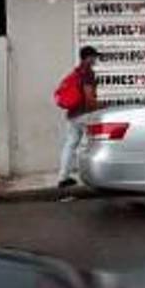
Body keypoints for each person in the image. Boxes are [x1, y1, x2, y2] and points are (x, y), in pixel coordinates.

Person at [57, 46, 99, 188]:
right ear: (87, 57)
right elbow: (88, 97)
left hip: (72, 114)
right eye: (93, 56)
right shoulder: (88, 73)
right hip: (84, 115)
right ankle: (90, 176)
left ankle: (63, 177)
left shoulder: (76, 72)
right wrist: (97, 109)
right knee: (90, 145)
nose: (95, 59)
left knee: (70, 145)